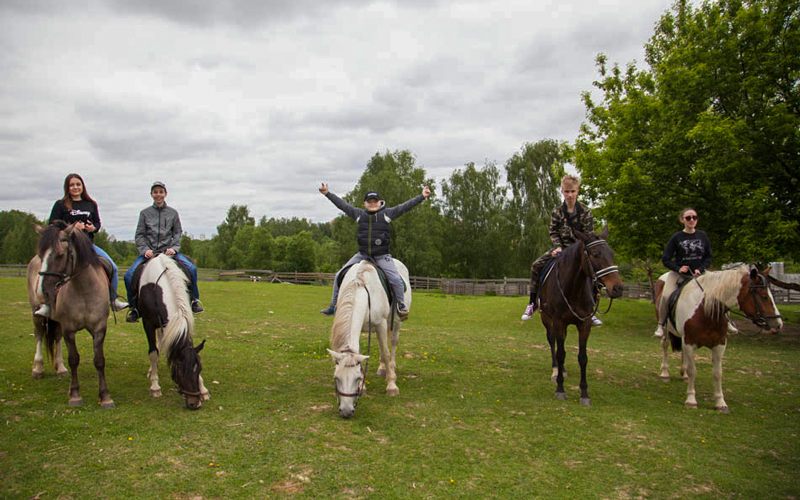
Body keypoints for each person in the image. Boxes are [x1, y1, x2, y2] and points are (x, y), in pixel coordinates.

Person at [319, 182, 431, 320]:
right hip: (363, 255)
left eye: (375, 201)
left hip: (381, 256)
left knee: (396, 279)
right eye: (369, 202)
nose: (372, 204)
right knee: (338, 275)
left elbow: (405, 207)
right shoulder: (359, 215)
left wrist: (422, 196)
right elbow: (342, 205)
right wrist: (327, 193)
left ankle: (401, 306)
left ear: (380, 203)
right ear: (364, 203)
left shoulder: (387, 214)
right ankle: (333, 305)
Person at [35, 173, 128, 318]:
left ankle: (113, 299)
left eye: (78, 184)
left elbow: (97, 223)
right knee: (51, 269)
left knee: (113, 267)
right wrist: (71, 227)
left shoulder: (91, 204)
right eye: (72, 185)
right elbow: (52, 225)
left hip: (87, 246)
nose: (75, 187)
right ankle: (47, 304)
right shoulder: (60, 204)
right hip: (66, 246)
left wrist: (92, 228)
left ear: (82, 186)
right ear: (67, 187)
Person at [520, 174, 603, 326]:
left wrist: (582, 249)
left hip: (580, 251)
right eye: (566, 191)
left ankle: (591, 309)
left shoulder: (586, 212)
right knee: (536, 265)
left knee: (594, 269)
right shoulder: (557, 212)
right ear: (562, 191)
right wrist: (557, 247)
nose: (570, 195)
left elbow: (589, 235)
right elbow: (553, 231)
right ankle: (532, 303)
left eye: (572, 191)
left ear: (578, 191)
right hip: (561, 249)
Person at [124, 181, 203, 323]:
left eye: (161, 192)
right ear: (151, 194)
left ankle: (194, 300)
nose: (158, 194)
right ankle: (134, 308)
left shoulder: (173, 213)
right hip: (150, 252)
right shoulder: (144, 213)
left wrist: (174, 248)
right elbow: (139, 235)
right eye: (155, 192)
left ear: (165, 194)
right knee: (129, 276)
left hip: (169, 251)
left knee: (191, 268)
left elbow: (178, 233)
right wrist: (145, 250)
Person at [653, 207, 712, 337]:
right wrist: (678, 268)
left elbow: (708, 256)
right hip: (679, 274)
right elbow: (666, 259)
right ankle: (661, 324)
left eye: (694, 217)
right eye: (688, 218)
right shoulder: (676, 237)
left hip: (700, 274)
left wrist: (700, 269)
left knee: (718, 293)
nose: (692, 220)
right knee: (665, 296)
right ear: (682, 220)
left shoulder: (702, 236)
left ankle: (728, 321)